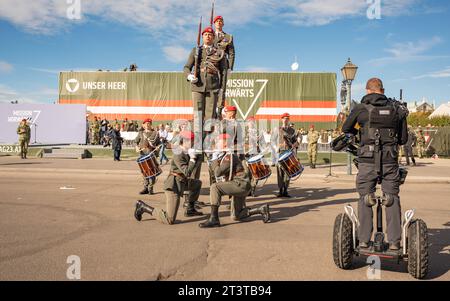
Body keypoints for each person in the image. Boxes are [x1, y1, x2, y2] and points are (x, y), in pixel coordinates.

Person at [341, 78, 408, 250]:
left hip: (367, 161)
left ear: (368, 91)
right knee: (391, 198)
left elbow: (346, 129)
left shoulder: (360, 108)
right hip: (389, 161)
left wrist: (362, 133)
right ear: (382, 90)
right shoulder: (396, 109)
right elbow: (403, 139)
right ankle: (394, 242)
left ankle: (363, 240)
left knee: (365, 197)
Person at [183, 26, 228, 181]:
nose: (208, 36)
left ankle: (207, 142)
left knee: (210, 117)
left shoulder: (219, 53)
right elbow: (186, 66)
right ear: (202, 37)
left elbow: (223, 72)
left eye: (210, 34)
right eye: (206, 34)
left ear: (213, 37)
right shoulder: (196, 51)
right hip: (197, 86)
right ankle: (197, 140)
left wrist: (222, 89)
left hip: (213, 87)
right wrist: (189, 76)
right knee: (197, 116)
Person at [199, 134, 271, 228]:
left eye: (218, 142)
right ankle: (261, 210)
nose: (216, 144)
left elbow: (217, 172)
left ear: (225, 144)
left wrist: (214, 160)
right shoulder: (226, 155)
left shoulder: (229, 156)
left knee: (214, 187)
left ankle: (214, 218)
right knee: (236, 216)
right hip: (241, 184)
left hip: (240, 184)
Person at [134, 131, 203, 225]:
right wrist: (192, 159)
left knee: (197, 184)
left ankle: (190, 209)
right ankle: (143, 207)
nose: (194, 143)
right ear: (183, 141)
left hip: (182, 181)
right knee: (169, 219)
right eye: (191, 141)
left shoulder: (187, 151)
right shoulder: (178, 153)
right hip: (173, 185)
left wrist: (198, 156)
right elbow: (187, 172)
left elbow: (196, 165)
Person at [275, 113, 299, 198]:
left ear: (289, 120)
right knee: (280, 172)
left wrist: (295, 144)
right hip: (280, 152)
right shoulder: (277, 129)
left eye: (287, 118)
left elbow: (295, 141)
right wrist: (276, 147)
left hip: (288, 152)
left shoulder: (292, 130)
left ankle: (285, 190)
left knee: (288, 172)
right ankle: (280, 190)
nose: (285, 120)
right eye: (284, 118)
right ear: (281, 119)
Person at [135, 118, 161, 195]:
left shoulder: (155, 133)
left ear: (150, 124)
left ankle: (150, 188)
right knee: (144, 171)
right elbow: (135, 142)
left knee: (152, 172)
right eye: (146, 124)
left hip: (151, 155)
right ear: (143, 125)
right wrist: (137, 147)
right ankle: (145, 188)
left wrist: (158, 147)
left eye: (149, 123)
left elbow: (159, 143)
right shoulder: (141, 133)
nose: (147, 125)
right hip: (142, 155)